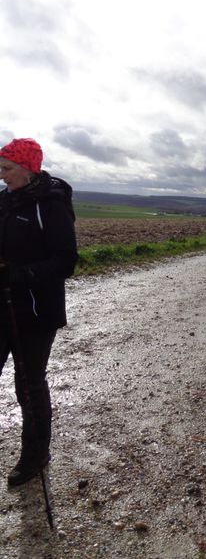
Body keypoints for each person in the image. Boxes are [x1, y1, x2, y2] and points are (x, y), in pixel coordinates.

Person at [0, 138, 77, 487]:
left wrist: (21, 276)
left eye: (7, 169)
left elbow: (65, 261)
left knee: (28, 385)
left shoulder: (50, 204)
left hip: (35, 311)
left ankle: (34, 455)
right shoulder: (5, 201)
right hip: (3, 305)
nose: (2, 176)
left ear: (28, 169)